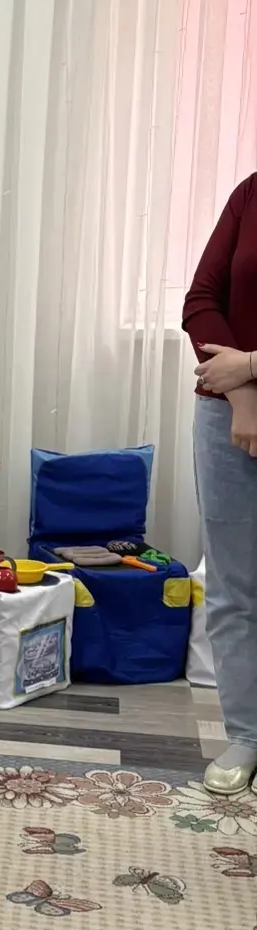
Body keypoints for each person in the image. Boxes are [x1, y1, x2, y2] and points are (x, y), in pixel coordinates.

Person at [183, 172, 257, 795]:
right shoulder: (250, 194)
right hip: (227, 415)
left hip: (238, 388)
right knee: (233, 588)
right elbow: (200, 301)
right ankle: (248, 735)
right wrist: (244, 397)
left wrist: (252, 367)